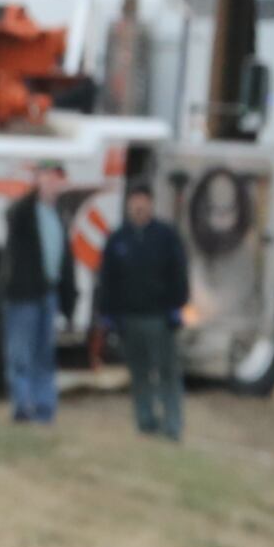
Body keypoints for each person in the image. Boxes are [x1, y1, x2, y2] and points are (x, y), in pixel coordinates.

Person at [93, 183, 193, 442]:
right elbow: (107, 279)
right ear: (128, 205)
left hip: (160, 318)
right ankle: (145, 421)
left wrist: (177, 307)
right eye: (134, 200)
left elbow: (179, 274)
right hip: (129, 319)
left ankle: (173, 424)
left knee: (167, 372)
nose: (139, 205)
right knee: (139, 374)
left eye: (143, 200)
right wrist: (107, 313)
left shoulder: (166, 236)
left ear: (150, 203)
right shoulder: (118, 240)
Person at [0, 165, 75, 424]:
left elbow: (65, 260)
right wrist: (34, 193)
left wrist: (69, 300)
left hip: (48, 293)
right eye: (46, 178)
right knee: (22, 353)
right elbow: (11, 216)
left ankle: (44, 409)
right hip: (24, 294)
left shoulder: (59, 215)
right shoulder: (25, 213)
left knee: (45, 355)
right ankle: (22, 405)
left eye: (55, 179)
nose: (51, 183)